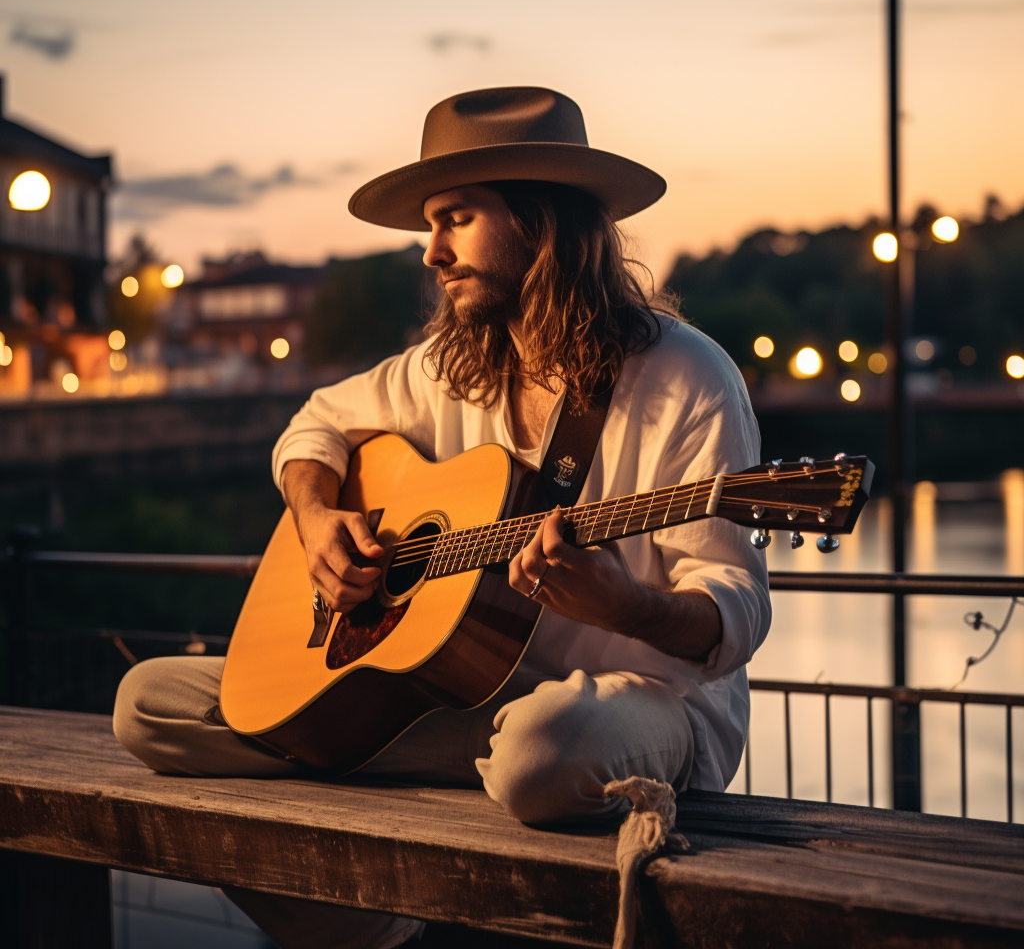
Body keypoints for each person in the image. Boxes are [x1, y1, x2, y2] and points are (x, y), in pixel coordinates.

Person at [113, 86, 771, 949]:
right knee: (147, 704)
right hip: (460, 700)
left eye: (455, 219)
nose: (431, 253)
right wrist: (316, 516)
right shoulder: (446, 368)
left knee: (544, 750)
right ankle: (381, 877)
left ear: (540, 223)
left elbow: (736, 614)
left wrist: (622, 603)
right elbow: (314, 424)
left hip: (637, 704)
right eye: (431, 225)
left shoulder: (689, 376)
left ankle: (359, 758)